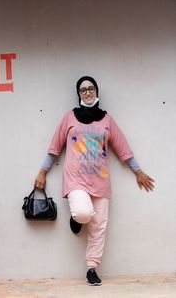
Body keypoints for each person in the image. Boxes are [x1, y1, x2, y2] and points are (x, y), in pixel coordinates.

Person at [34, 76, 155, 286]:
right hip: (75, 180)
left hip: (101, 182)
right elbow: (55, 147)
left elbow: (122, 148)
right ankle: (77, 219)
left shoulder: (107, 120)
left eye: (90, 89)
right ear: (78, 94)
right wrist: (43, 171)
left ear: (96, 91)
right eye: (83, 90)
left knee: (99, 227)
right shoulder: (70, 118)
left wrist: (138, 171)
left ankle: (92, 268)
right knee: (82, 213)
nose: (87, 92)